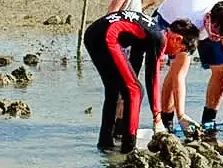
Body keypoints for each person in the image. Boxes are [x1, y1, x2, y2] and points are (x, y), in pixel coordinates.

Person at [83, 9, 199, 153]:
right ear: (177, 39)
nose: (174, 54)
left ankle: (105, 143)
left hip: (92, 35)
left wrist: (126, 91)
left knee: (115, 90)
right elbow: (153, 78)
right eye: (180, 49)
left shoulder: (151, 32)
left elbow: (134, 62)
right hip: (106, 37)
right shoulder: (159, 39)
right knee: (136, 91)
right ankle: (129, 149)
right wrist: (157, 118)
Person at [154, 0, 223, 134]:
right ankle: (167, 120)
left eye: (221, 36)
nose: (217, 39)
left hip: (204, 21)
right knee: (175, 70)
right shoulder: (189, 22)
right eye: (215, 33)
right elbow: (179, 75)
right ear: (208, 17)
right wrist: (181, 116)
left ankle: (208, 120)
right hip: (170, 18)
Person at [107, 0, 169, 138]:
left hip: (130, 43)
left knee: (127, 90)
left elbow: (132, 10)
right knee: (127, 89)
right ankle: (119, 127)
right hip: (123, 45)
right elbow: (113, 13)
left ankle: (120, 126)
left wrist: (151, 2)